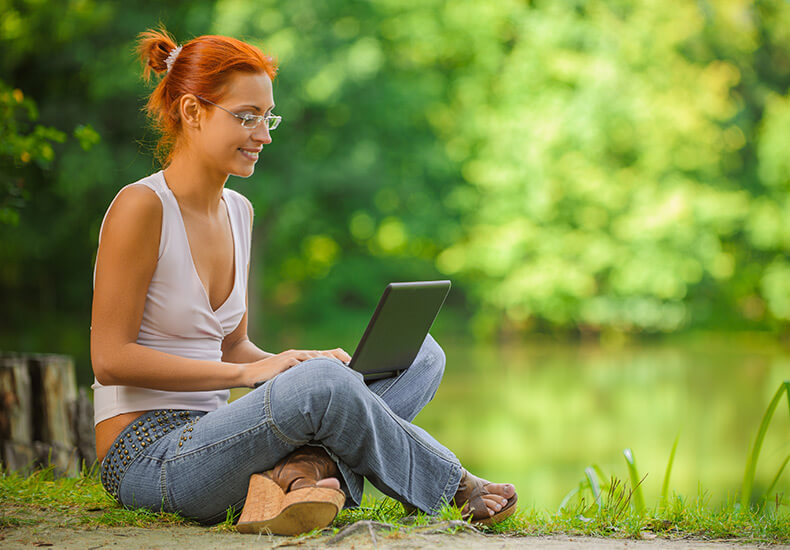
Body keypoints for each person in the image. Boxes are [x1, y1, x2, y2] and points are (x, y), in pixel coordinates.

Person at [89, 27, 518, 536]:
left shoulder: (238, 211)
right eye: (247, 118)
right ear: (191, 111)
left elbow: (232, 345)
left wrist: (297, 361)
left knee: (422, 355)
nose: (264, 135)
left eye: (267, 118)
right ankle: (450, 485)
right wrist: (257, 376)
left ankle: (302, 470)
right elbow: (110, 359)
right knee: (323, 388)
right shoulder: (141, 207)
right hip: (148, 455)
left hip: (219, 435)